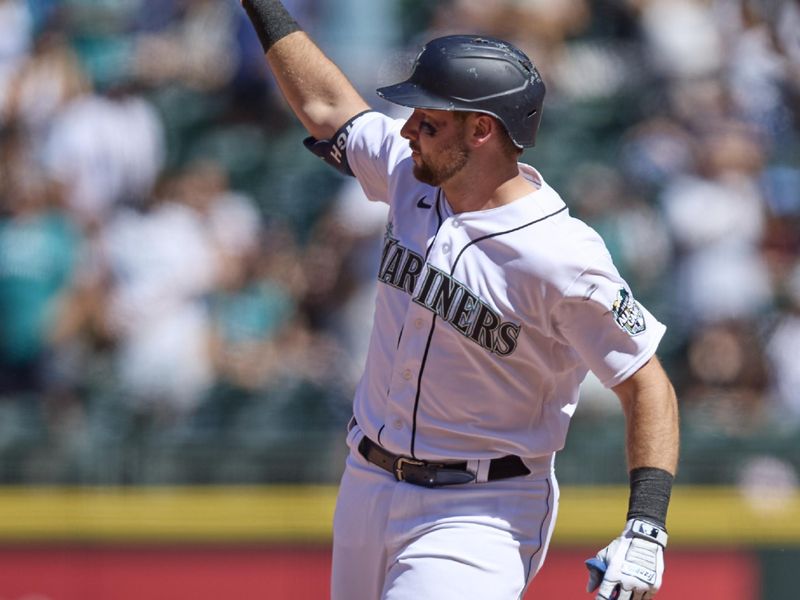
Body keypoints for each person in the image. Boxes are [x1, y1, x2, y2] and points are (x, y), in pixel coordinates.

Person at [239, 2, 680, 599]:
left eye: (427, 120)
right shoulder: (411, 176)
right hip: (366, 481)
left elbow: (644, 381)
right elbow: (327, 108)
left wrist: (646, 526)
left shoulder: (560, 255)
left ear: (481, 130)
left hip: (481, 509)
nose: (406, 130)